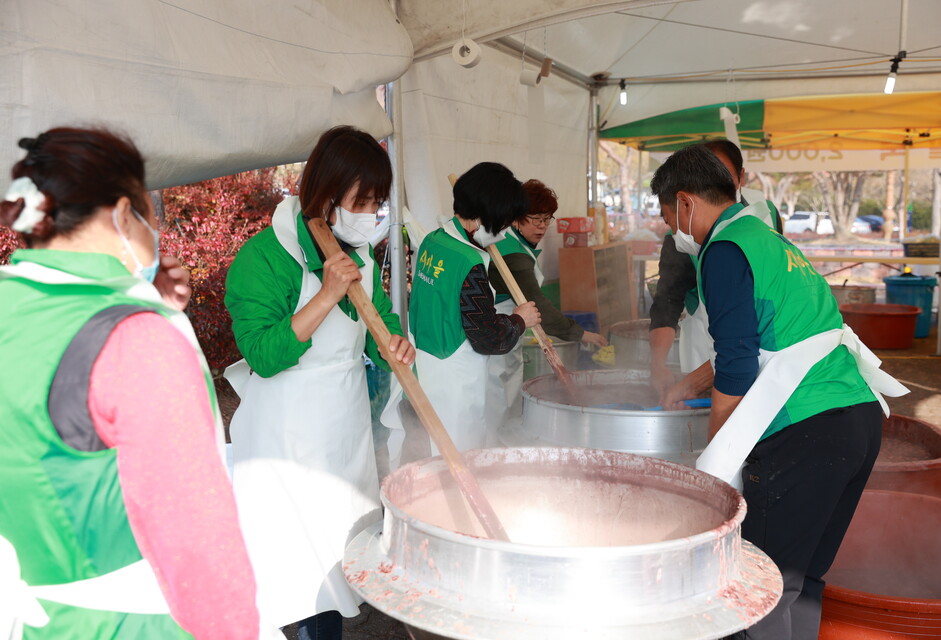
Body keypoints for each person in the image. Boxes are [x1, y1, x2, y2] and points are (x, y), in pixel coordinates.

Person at [0, 127, 261, 639]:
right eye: (147, 214)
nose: (155, 232)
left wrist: (158, 309)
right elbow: (196, 543)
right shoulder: (135, 340)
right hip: (132, 622)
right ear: (123, 214)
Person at [649, 144, 908, 639]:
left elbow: (738, 364)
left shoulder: (724, 251)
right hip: (855, 421)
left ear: (685, 203)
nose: (672, 230)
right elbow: (769, 340)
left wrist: (719, 453)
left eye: (668, 217)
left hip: (806, 432)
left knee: (758, 587)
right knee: (800, 582)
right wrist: (690, 384)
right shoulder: (766, 239)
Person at [223, 126, 415, 640]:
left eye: (378, 201)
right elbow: (263, 356)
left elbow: (377, 324)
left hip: (342, 424)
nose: (371, 213)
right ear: (327, 196)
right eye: (362, 200)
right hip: (286, 435)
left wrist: (394, 343)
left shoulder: (361, 252)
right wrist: (328, 293)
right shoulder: (263, 258)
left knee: (340, 548)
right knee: (296, 565)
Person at [404, 162, 540, 452]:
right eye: (503, 222)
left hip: (425, 364)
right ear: (484, 216)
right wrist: (519, 319)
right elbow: (489, 338)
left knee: (428, 452)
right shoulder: (469, 262)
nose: (504, 231)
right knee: (457, 462)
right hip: (456, 382)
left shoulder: (433, 240)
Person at [648, 139, 782, 405]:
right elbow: (667, 302)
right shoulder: (682, 238)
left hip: (762, 367)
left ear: (741, 177)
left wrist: (721, 439)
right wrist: (659, 365)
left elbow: (739, 350)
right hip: (710, 355)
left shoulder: (733, 244)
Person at [487, 179, 607, 424]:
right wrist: (581, 334)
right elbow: (537, 303)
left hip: (508, 333)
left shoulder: (518, 242)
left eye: (547, 219)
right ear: (516, 217)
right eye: (535, 219)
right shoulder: (512, 252)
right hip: (494, 337)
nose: (542, 227)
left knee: (505, 396)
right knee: (495, 402)